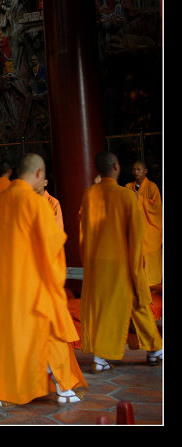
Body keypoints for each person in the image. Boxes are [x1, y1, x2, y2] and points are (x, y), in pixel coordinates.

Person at [0, 153, 86, 407]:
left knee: (5, 338)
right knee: (52, 335)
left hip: (4, 284)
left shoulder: (0, 201)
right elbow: (52, 245)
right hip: (32, 285)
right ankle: (64, 386)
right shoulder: (35, 203)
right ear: (38, 174)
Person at [79, 152, 163, 371]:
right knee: (137, 302)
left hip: (97, 262)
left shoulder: (89, 195)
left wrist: (87, 259)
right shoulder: (126, 196)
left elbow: (83, 231)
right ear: (116, 167)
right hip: (120, 262)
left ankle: (105, 356)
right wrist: (137, 267)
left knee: (107, 308)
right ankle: (153, 349)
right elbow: (136, 235)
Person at [125, 161, 162, 287]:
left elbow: (157, 208)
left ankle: (152, 283)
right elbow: (123, 205)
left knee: (149, 258)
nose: (136, 172)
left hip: (148, 228)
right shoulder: (128, 186)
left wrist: (139, 199)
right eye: (134, 169)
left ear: (145, 171)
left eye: (139, 169)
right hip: (134, 228)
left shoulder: (152, 187)